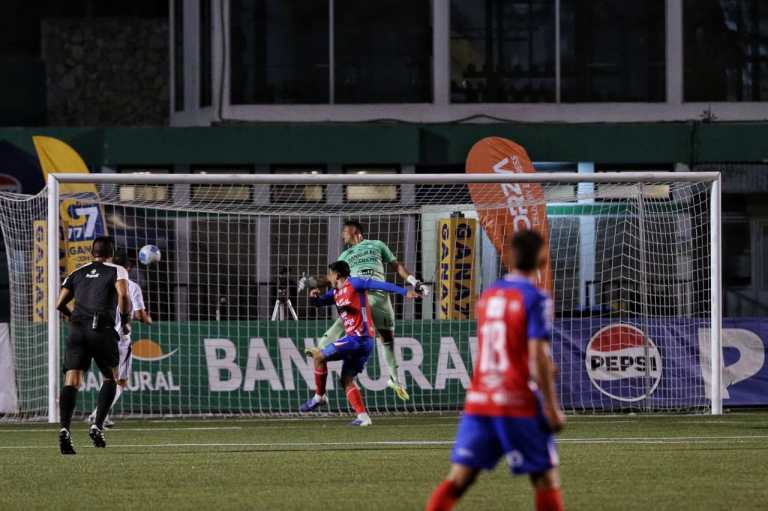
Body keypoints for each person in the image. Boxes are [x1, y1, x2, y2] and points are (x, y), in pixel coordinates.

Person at [426, 230, 565, 511]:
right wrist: (551, 407)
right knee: (545, 479)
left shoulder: (488, 296)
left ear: (510, 258)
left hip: (480, 401)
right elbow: (537, 355)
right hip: (517, 402)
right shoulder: (537, 298)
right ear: (542, 259)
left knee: (459, 479)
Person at [299, 219, 428, 408]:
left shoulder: (377, 245)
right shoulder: (344, 255)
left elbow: (396, 265)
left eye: (344, 230)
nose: (342, 234)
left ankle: (395, 380)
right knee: (348, 316)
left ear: (355, 230)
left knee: (387, 338)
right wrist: (309, 282)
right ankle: (322, 348)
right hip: (359, 294)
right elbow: (332, 279)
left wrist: (413, 281)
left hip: (380, 296)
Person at [304, 260, 420, 426]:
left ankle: (319, 396)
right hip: (363, 342)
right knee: (346, 379)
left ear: (337, 274)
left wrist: (404, 292)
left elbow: (380, 284)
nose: (328, 277)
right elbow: (319, 303)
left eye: (330, 273)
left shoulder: (355, 283)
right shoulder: (336, 292)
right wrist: (313, 298)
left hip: (357, 338)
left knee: (318, 357)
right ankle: (363, 417)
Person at [55, 236, 131, 454]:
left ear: (91, 252)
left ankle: (64, 429)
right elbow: (124, 295)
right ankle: (97, 425)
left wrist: (74, 319)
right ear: (112, 253)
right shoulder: (117, 270)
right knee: (110, 377)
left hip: (78, 330)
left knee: (72, 378)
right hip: (102, 330)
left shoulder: (76, 272)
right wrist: (124, 321)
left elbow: (59, 304)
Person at [87, 251, 152, 428]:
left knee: (108, 378)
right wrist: (148, 320)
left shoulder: (99, 284)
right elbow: (140, 315)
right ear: (128, 267)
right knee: (120, 381)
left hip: (98, 336)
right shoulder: (132, 286)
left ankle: (101, 416)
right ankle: (98, 415)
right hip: (119, 339)